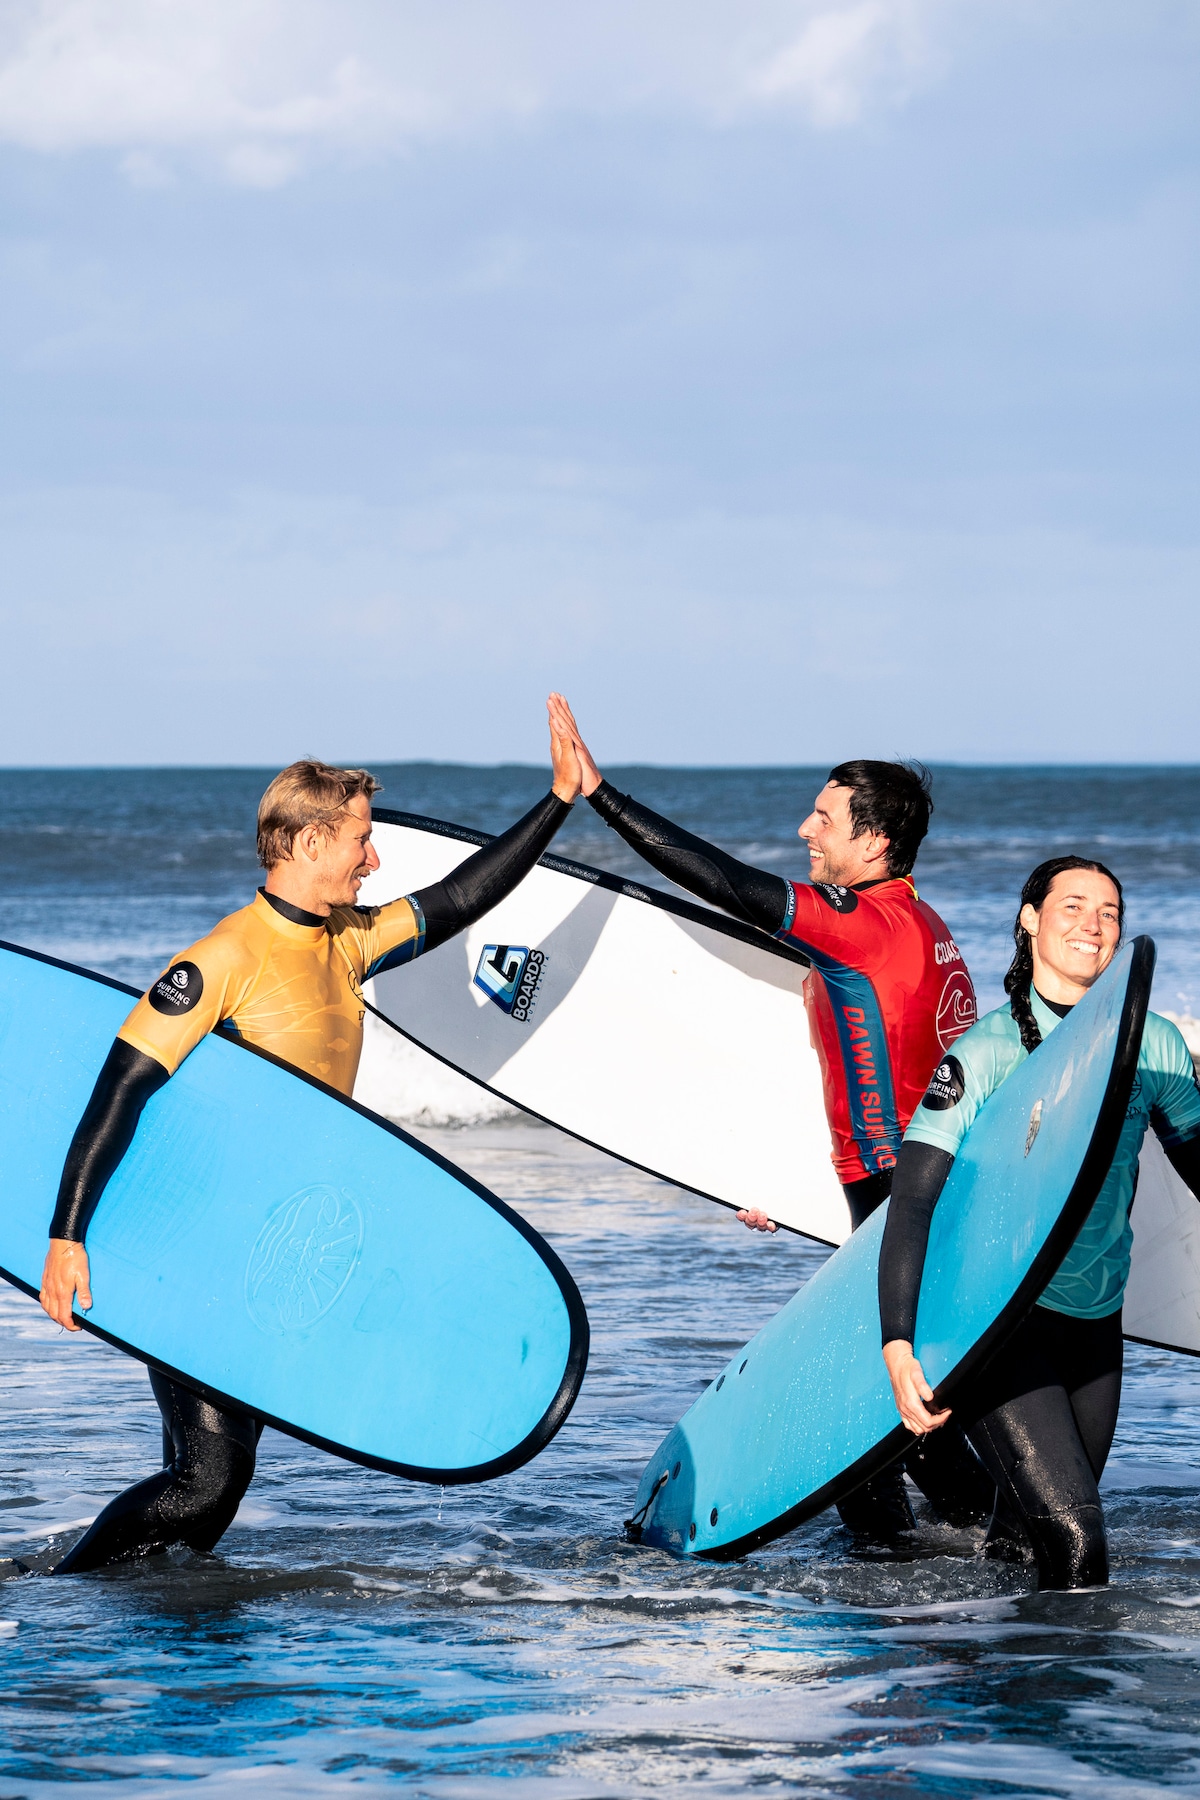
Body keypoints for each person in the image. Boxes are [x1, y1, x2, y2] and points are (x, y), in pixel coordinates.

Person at [39, 710, 582, 1574]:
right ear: (307, 839)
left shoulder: (347, 942)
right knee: (205, 1479)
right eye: (362, 841)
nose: (375, 859)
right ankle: (57, 1591)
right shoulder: (224, 957)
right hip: (201, 1243)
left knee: (222, 1474)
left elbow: (463, 897)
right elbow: (119, 1093)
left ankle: (147, 1605)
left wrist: (558, 801)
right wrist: (66, 1239)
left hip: (270, 1247)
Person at [547, 693, 991, 1541]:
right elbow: (899, 1070)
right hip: (916, 1190)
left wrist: (601, 796)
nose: (803, 830)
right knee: (885, 1405)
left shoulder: (859, 929)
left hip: (897, 1195)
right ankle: (946, 1559)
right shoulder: (924, 926)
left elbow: (723, 882)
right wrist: (784, 1187)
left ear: (874, 843)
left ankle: (965, 1555)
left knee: (873, 1407)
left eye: (823, 818)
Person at [879, 857, 1200, 1590]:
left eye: (1110, 911)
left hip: (1093, 1321)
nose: (1093, 924)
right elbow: (912, 1200)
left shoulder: (1152, 1046)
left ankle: (991, 1677)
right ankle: (1077, 1697)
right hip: (997, 1323)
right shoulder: (987, 1052)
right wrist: (899, 1343)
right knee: (1081, 1550)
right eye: (1074, 906)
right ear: (1030, 919)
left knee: (1026, 1541)